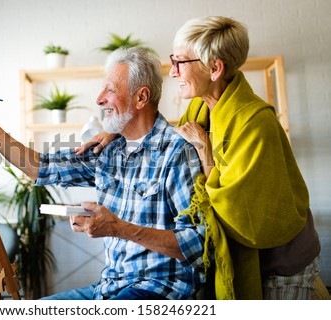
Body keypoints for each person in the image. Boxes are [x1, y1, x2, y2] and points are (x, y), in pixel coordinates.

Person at [78, 16, 321, 300]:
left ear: (215, 69)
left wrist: (205, 149)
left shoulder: (256, 123)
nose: (173, 72)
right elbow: (171, 136)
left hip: (281, 260)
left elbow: (242, 211)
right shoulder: (198, 108)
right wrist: (118, 132)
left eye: (181, 62)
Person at [0, 46, 209, 300]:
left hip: (157, 290)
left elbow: (197, 244)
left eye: (110, 90)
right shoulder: (109, 149)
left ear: (141, 98)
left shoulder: (177, 152)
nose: (99, 99)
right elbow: (40, 168)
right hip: (108, 287)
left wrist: (118, 228)